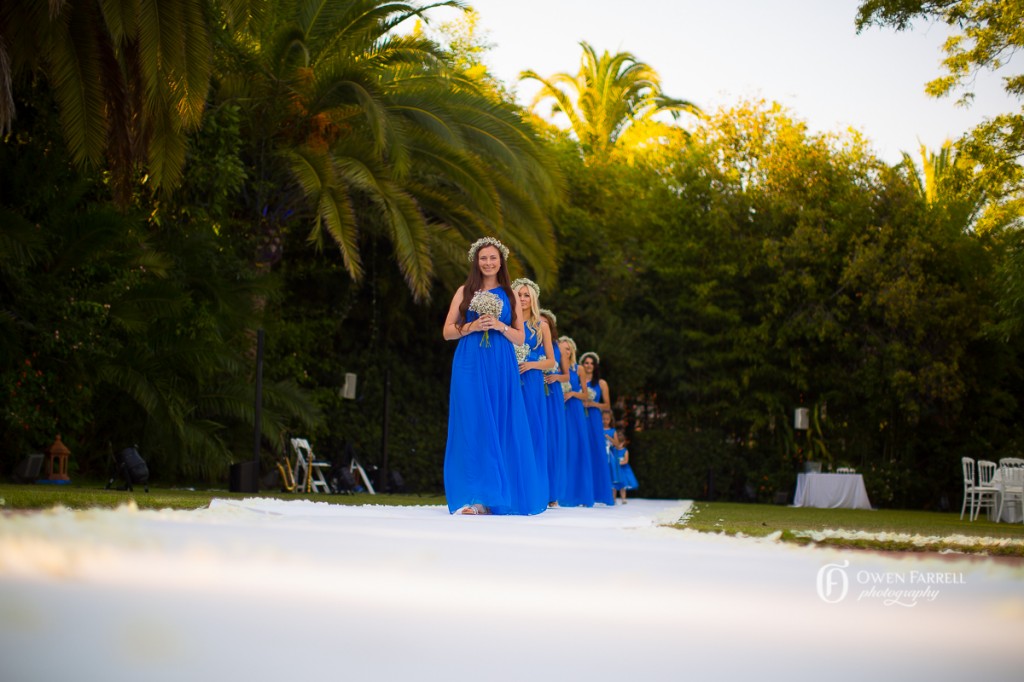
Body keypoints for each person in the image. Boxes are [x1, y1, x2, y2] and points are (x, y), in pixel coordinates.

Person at [442, 237, 546, 516]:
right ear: (476, 261)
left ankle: (493, 497)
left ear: (501, 262)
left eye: (493, 258)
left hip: (500, 364)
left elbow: (520, 336)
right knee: (472, 422)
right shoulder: (464, 291)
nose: (488, 262)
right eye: (483, 258)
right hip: (469, 363)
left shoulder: (510, 295)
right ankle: (473, 494)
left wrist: (499, 325)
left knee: (499, 422)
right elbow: (448, 331)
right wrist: (473, 326)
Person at [512, 278, 555, 505]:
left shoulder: (542, 326)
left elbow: (551, 361)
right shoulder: (507, 321)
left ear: (533, 299)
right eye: (519, 294)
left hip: (532, 383)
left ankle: (534, 491)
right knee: (511, 431)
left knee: (532, 433)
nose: (522, 299)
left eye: (526, 295)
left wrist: (530, 364)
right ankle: (512, 486)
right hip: (509, 381)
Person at [557, 336, 595, 507]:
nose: (565, 351)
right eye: (562, 348)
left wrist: (572, 393)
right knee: (563, 448)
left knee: (577, 448)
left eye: (567, 349)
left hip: (575, 410)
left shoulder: (578, 369)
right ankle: (561, 493)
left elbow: (585, 394)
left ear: (571, 351)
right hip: (560, 409)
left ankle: (581, 494)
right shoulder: (556, 367)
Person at [539, 308, 568, 506]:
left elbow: (567, 375)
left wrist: (556, 376)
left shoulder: (557, 347)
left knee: (552, 438)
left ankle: (553, 493)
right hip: (535, 389)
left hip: (553, 393)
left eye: (545, 324)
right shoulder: (528, 342)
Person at [580, 351, 615, 505]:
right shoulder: (579, 380)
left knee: (597, 451)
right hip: (580, 417)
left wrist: (593, 404)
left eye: (591, 363)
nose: (588, 366)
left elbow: (607, 404)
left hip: (594, 418)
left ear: (595, 366)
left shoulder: (601, 383)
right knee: (582, 451)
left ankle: (600, 492)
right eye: (586, 363)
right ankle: (583, 492)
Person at [611, 428, 639, 503]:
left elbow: (626, 461)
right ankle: (613, 499)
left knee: (623, 485)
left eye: (620, 443)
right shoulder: (612, 450)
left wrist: (618, 463)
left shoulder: (625, 451)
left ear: (623, 442)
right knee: (614, 486)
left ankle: (623, 499)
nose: (619, 445)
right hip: (615, 470)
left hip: (623, 470)